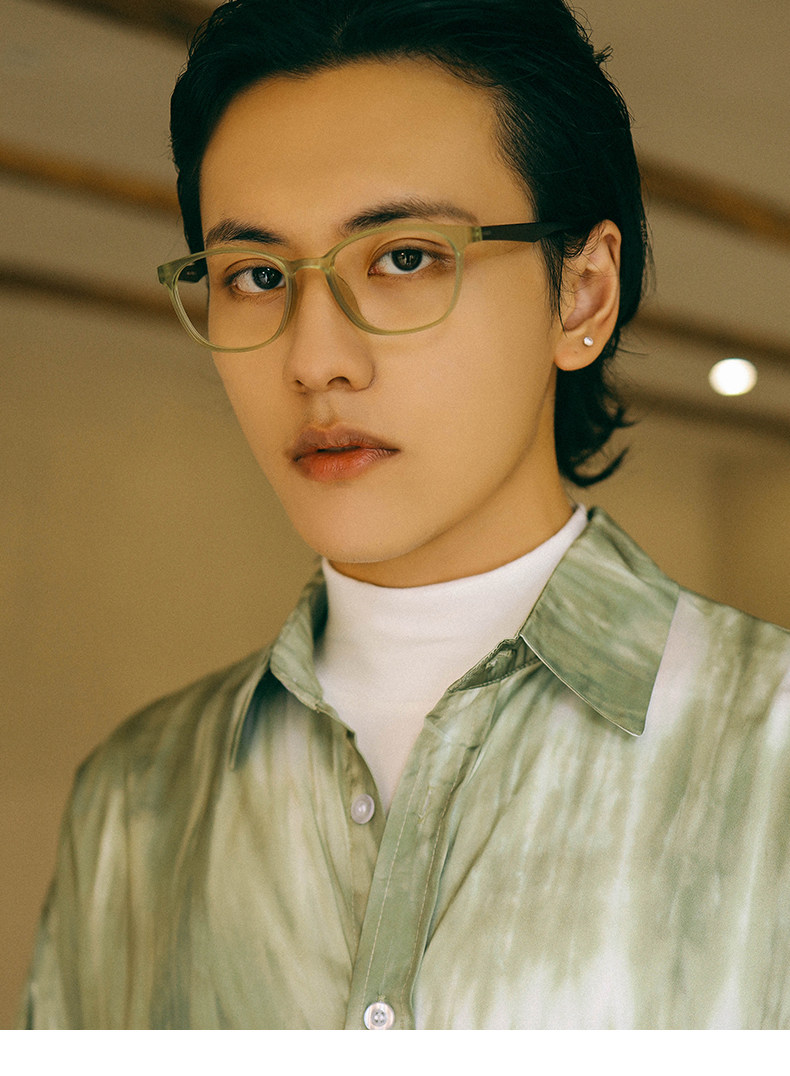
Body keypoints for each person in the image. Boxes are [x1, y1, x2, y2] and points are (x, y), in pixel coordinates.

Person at [20, 0, 790, 1030]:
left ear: (581, 295)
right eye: (256, 276)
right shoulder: (136, 797)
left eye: (404, 257)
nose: (314, 359)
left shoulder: (768, 752)